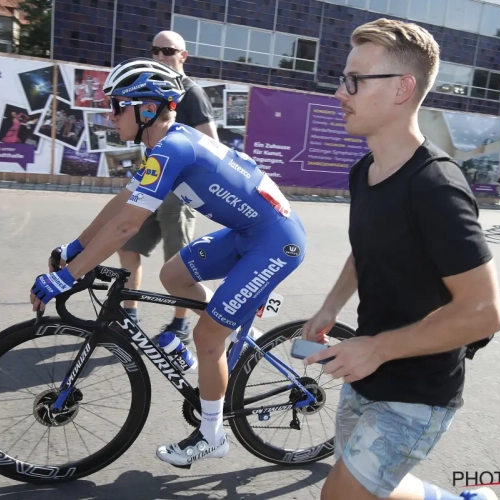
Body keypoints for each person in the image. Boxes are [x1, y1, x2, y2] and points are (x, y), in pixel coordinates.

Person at [29, 58, 306, 468]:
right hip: (250, 233)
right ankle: (234, 315)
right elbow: (122, 204)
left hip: (276, 242)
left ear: (147, 109)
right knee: (172, 273)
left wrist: (69, 275)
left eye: (117, 105)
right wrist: (74, 248)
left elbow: (126, 229)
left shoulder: (174, 147)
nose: (111, 115)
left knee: (207, 338)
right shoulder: (163, 145)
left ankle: (212, 435)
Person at [299, 19, 500, 500]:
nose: (339, 91)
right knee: (377, 489)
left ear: (402, 88)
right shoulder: (364, 172)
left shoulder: (436, 186)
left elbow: (485, 312)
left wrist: (377, 348)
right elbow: (367, 245)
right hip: (366, 373)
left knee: (341, 495)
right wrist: (330, 307)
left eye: (354, 79)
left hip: (418, 390)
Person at [117, 30, 220, 344]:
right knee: (126, 246)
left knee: (177, 263)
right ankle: (129, 315)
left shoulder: (192, 93)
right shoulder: (150, 89)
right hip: (153, 182)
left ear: (183, 56)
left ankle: (180, 324)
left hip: (179, 190)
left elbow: (212, 144)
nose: (161, 56)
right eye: (155, 50)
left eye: (168, 51)